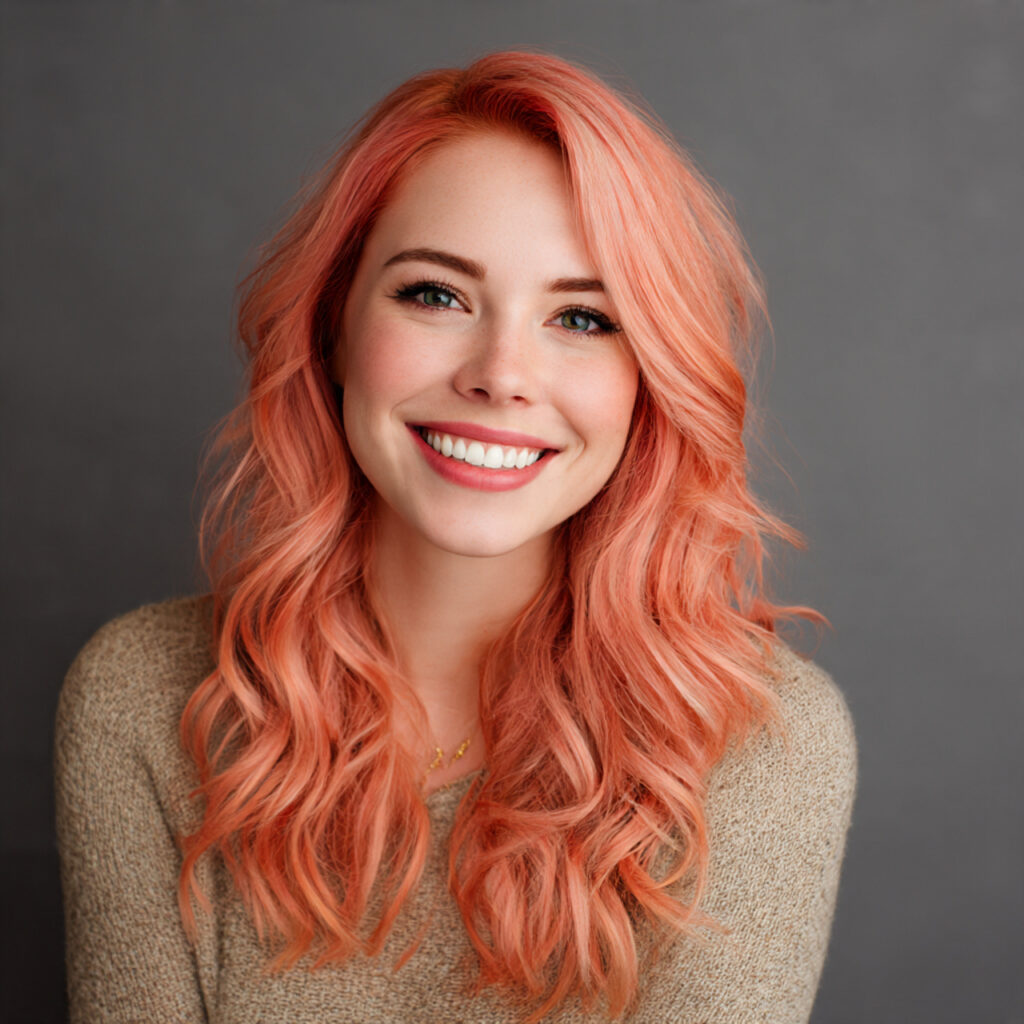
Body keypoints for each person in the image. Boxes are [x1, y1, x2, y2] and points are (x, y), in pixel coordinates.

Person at [55, 51, 856, 1023]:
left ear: (651, 377)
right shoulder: (143, 697)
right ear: (333, 325)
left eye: (583, 316)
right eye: (436, 294)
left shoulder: (758, 745)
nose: (501, 373)